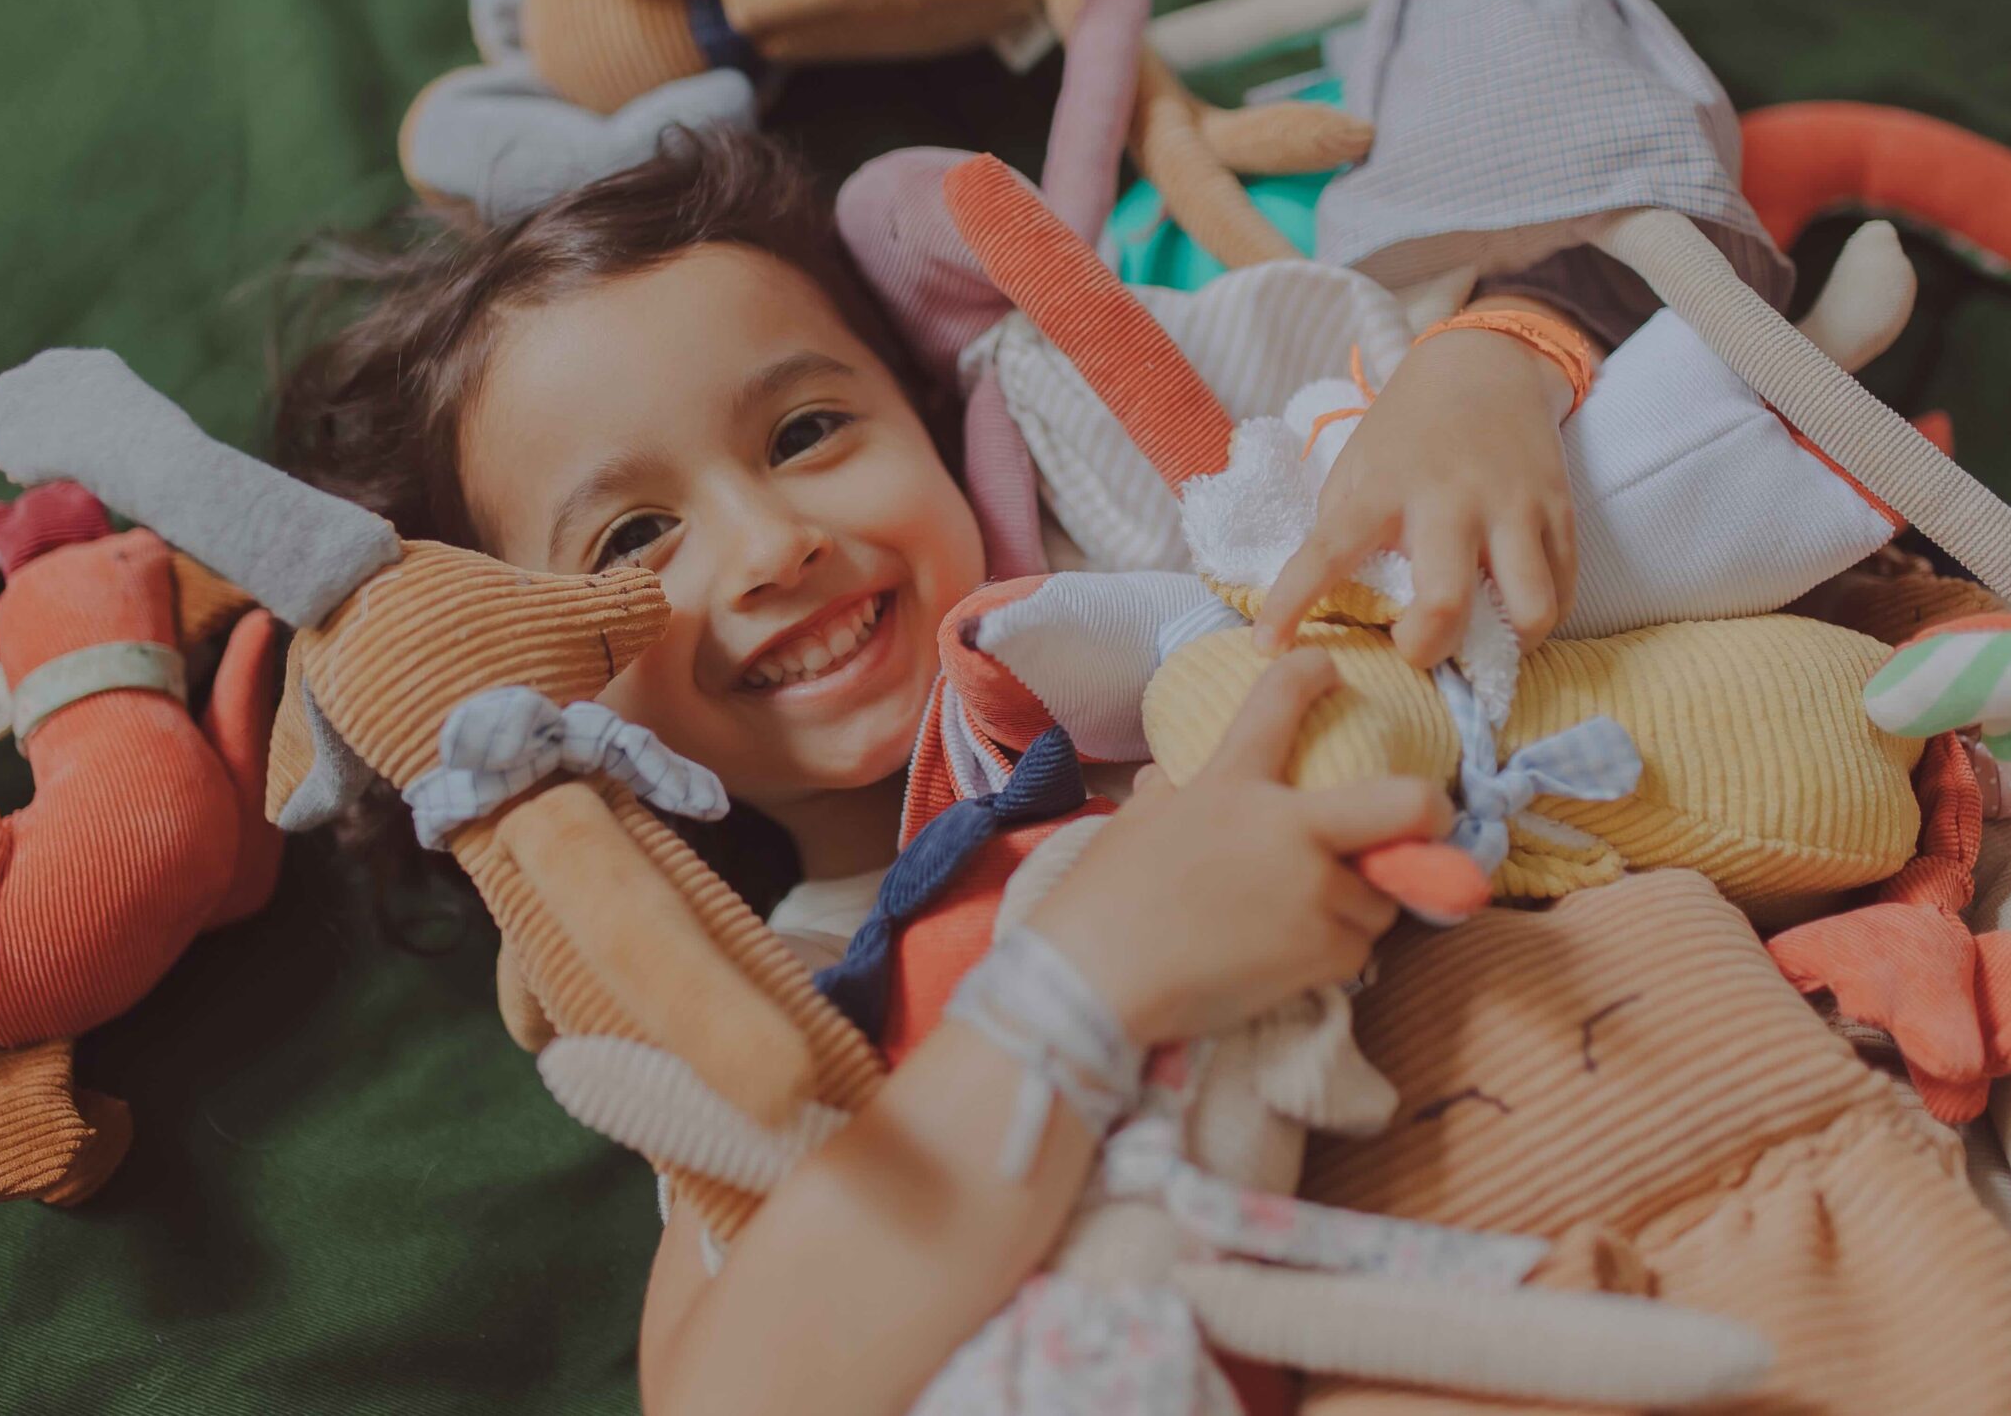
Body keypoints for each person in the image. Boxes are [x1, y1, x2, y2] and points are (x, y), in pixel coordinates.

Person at [273, 125, 1585, 1415]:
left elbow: (1598, 220)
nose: (772, 544)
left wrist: (1492, 367)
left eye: (804, 433)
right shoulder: (774, 1002)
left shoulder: (1198, 562)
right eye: (632, 538)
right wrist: (1090, 980)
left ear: (932, 413)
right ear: (537, 688)